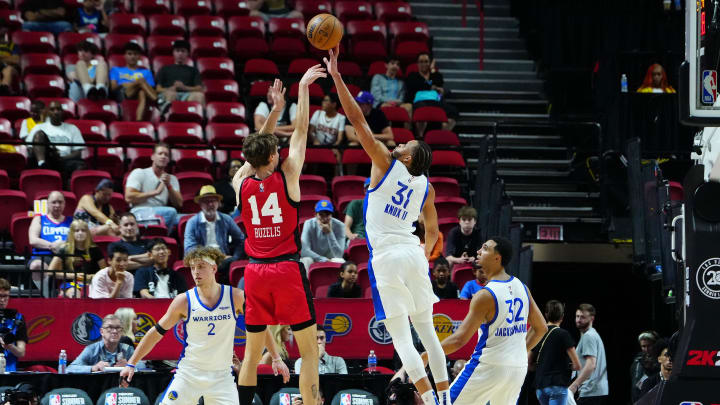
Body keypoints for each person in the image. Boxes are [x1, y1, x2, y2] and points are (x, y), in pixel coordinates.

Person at [324, 46, 450, 405]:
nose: (402, 141)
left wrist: (336, 76)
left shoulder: (384, 160)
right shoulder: (426, 185)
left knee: (401, 339)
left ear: (408, 156)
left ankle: (426, 399)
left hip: (388, 257)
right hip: (413, 254)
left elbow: (356, 120)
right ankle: (447, 399)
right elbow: (434, 229)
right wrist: (425, 256)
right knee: (428, 331)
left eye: (407, 142)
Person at [232, 69, 327, 405]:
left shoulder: (240, 182)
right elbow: (301, 130)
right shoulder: (288, 175)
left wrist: (272, 113)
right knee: (309, 352)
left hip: (254, 272)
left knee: (250, 356)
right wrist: (302, 89)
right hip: (285, 269)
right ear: (274, 156)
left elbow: (253, 151)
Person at [120, 247, 290, 403]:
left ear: (214, 268)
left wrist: (276, 358)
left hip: (222, 377)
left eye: (201, 266)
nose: (195, 272)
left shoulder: (236, 297)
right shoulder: (184, 301)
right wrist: (131, 363)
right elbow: (155, 333)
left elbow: (260, 326)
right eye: (193, 268)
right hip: (189, 374)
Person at [418, 237, 547, 405]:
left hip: (488, 366)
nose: (478, 251)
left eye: (485, 248)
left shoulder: (485, 295)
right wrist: (518, 351)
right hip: (517, 368)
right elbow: (541, 328)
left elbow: (459, 340)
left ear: (497, 258)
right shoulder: (522, 287)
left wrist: (429, 354)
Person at [184, 185, 246, 283]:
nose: (210, 204)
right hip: (202, 260)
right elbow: (189, 248)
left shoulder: (226, 219)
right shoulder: (192, 222)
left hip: (225, 262)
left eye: (213, 201)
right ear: (200, 204)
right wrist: (214, 257)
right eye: (206, 201)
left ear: (218, 203)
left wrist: (235, 257)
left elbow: (241, 240)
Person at [529, 300, 582, 405]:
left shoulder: (538, 334)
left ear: (546, 315)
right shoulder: (564, 335)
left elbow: (529, 363)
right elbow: (577, 365)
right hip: (557, 385)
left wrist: (543, 365)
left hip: (540, 386)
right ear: (562, 317)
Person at [125, 143, 182, 233]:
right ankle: (161, 240)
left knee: (193, 218)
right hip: (140, 211)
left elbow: (179, 204)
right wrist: (155, 192)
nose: (163, 156)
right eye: (160, 154)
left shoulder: (172, 179)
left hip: (162, 213)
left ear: (168, 160)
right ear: (152, 157)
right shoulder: (140, 173)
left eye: (166, 155)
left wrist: (169, 185)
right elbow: (128, 197)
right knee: (171, 212)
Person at [26, 101, 86, 175]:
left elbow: (77, 152)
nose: (56, 112)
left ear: (62, 112)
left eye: (58, 109)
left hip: (65, 160)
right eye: (52, 109)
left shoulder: (73, 128)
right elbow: (30, 148)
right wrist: (50, 153)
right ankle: (42, 165)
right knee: (39, 134)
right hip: (47, 158)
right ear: (48, 112)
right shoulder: (39, 127)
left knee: (81, 166)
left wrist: (62, 157)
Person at [405, 52, 457, 134]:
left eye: (426, 61)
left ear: (430, 63)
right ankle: (420, 136)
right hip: (420, 101)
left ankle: (441, 134)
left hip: (436, 101)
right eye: (421, 62)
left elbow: (439, 81)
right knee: (422, 111)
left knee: (453, 111)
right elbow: (415, 85)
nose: (424, 64)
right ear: (417, 63)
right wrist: (432, 86)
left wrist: (432, 70)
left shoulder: (435, 75)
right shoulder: (413, 75)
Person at [28, 191, 73, 284]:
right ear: (48, 204)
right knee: (36, 265)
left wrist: (63, 246)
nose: (57, 205)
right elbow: (32, 240)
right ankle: (46, 295)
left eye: (60, 202)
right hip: (43, 256)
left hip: (66, 257)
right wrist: (52, 246)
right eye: (54, 202)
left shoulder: (71, 221)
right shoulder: (39, 219)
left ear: (64, 204)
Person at [68, 314, 138, 373]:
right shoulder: (92, 349)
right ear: (102, 332)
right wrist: (93, 368)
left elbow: (143, 366)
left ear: (122, 332)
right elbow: (70, 368)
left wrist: (129, 365)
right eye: (109, 327)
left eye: (118, 328)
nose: (114, 331)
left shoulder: (128, 349)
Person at [569, 304, 609, 404]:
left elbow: (591, 364)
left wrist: (575, 385)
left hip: (591, 391)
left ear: (592, 318)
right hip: (595, 390)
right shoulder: (592, 334)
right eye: (577, 316)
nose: (578, 320)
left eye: (582, 317)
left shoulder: (589, 336)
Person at [48, 220, 107, 284]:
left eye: (83, 230)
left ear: (87, 233)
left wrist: (90, 277)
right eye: (77, 230)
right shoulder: (64, 249)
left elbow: (105, 272)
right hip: (71, 284)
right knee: (74, 292)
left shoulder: (95, 249)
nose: (80, 233)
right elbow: (50, 272)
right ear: (72, 233)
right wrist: (74, 276)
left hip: (91, 283)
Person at [110, 42, 157, 121]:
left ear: (139, 57)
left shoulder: (146, 72)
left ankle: (138, 120)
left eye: (135, 54)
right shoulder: (116, 70)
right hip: (122, 93)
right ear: (124, 56)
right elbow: (113, 87)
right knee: (141, 81)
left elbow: (149, 89)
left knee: (142, 92)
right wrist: (132, 83)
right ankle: (158, 101)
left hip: (140, 94)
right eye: (129, 54)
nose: (132, 57)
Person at [156, 39, 205, 115]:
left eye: (183, 51)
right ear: (173, 53)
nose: (180, 54)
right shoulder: (164, 69)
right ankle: (166, 119)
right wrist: (171, 88)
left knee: (199, 95)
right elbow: (158, 89)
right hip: (169, 93)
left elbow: (199, 88)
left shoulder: (193, 70)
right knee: (171, 94)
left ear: (187, 53)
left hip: (187, 94)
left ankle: (195, 120)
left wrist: (184, 87)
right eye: (177, 51)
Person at [300, 199, 346, 269]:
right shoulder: (308, 224)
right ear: (315, 215)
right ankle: (305, 280)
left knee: (341, 261)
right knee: (306, 260)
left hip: (331, 257)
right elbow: (304, 251)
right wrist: (323, 259)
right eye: (321, 215)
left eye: (327, 215)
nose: (324, 218)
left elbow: (339, 255)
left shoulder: (340, 226)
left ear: (331, 215)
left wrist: (329, 233)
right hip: (313, 257)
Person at [371, 55, 412, 120]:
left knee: (409, 106)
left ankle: (408, 130)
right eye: (392, 63)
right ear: (386, 65)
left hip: (397, 104)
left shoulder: (401, 82)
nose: (395, 66)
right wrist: (390, 101)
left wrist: (395, 103)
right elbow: (376, 96)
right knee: (386, 106)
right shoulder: (378, 77)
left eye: (397, 64)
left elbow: (401, 98)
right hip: (382, 103)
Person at [0, 278, 27, 372]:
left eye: (5, 296)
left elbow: (21, 352)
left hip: (9, 373)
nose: (2, 300)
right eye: (0, 296)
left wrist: (9, 346)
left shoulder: (18, 318)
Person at [630, 330, 659, 401]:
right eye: (643, 346)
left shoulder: (661, 360)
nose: (646, 349)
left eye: (649, 346)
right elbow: (635, 385)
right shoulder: (638, 362)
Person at [343, 178, 369, 243]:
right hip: (357, 238)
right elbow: (346, 227)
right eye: (369, 188)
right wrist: (351, 236)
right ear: (365, 191)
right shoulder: (355, 204)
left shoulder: (382, 207)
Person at [0, 19, 19, 96]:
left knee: (8, 69)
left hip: (10, 68)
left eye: (2, 27)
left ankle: (4, 89)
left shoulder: (13, 46)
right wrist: (7, 58)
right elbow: (11, 59)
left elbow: (16, 60)